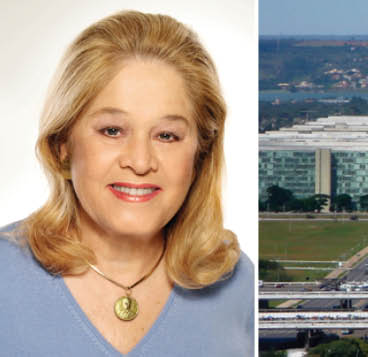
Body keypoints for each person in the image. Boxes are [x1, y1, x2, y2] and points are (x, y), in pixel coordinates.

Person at [0, 11, 252, 355]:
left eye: (167, 135)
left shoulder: (237, 283)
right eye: (112, 131)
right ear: (62, 144)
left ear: (200, 154)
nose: (140, 161)